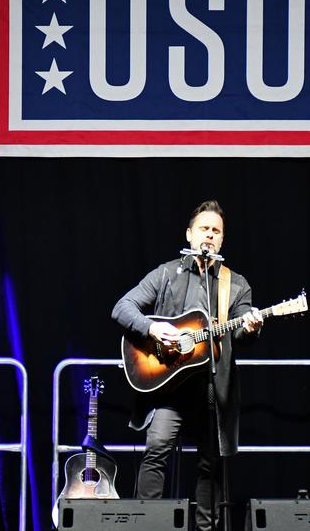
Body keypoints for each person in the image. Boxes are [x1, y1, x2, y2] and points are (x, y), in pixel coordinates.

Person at [112, 200, 263, 531]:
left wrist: (251, 326)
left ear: (222, 240)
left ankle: (205, 528)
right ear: (189, 234)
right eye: (204, 229)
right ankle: (145, 524)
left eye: (216, 231)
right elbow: (123, 307)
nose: (209, 236)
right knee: (156, 450)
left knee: (210, 464)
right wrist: (152, 328)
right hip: (168, 388)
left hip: (211, 389)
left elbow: (239, 329)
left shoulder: (234, 284)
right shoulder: (167, 273)